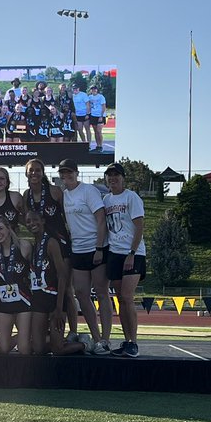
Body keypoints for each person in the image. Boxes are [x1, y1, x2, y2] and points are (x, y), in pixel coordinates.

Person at [56, 159, 110, 354]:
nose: (66, 176)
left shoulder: (89, 190)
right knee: (81, 293)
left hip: (96, 247)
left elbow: (101, 218)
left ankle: (105, 339)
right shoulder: (64, 195)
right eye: (63, 173)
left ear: (77, 172)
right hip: (77, 249)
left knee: (102, 292)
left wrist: (99, 248)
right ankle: (95, 337)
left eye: (69, 172)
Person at [102, 163, 144, 358]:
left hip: (132, 253)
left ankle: (133, 342)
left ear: (123, 178)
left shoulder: (131, 197)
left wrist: (132, 252)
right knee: (120, 299)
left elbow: (139, 226)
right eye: (110, 176)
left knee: (127, 297)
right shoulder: (106, 199)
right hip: (114, 252)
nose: (113, 179)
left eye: (116, 175)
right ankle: (126, 341)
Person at [24, 208, 75, 356]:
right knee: (38, 348)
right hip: (39, 299)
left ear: (43, 221)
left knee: (58, 350)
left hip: (54, 299)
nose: (32, 223)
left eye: (35, 220)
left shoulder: (51, 242)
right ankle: (53, 341)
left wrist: (59, 308)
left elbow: (63, 275)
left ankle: (84, 344)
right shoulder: (33, 246)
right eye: (28, 221)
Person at [0, 215, 32, 354]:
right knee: (3, 349)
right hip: (3, 303)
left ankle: (39, 336)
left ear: (8, 228)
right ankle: (32, 336)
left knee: (24, 349)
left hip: (23, 301)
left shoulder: (24, 246)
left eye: (0, 229)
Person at [86, 84, 107, 152]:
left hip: (100, 115)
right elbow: (88, 105)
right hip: (93, 115)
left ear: (97, 90)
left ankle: (100, 145)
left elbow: (103, 106)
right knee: (95, 131)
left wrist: (101, 116)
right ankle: (97, 145)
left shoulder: (101, 97)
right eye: (92, 89)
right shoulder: (89, 97)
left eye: (95, 89)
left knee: (99, 131)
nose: (94, 90)